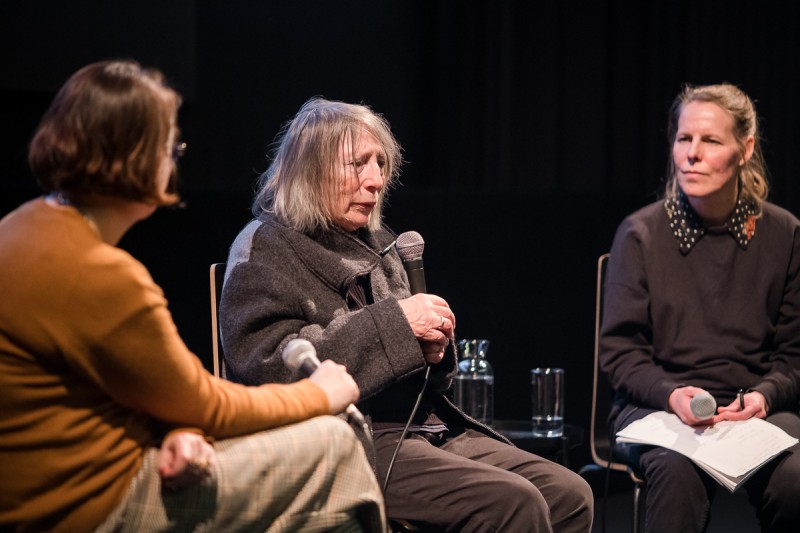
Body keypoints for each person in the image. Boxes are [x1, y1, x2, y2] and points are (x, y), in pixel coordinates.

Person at [0, 61, 387, 533]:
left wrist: (180, 429)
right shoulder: (101, 273)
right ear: (136, 156)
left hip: (63, 482)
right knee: (333, 443)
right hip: (90, 503)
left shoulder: (19, 227)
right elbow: (208, 404)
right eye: (170, 146)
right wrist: (317, 393)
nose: (173, 160)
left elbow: (153, 391)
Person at [219, 96, 594, 532]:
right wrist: (399, 326)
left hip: (423, 428)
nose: (377, 180)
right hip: (345, 439)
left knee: (569, 494)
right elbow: (266, 364)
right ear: (311, 169)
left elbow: (423, 371)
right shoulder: (266, 246)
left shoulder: (378, 241)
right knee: (513, 502)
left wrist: (433, 350)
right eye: (359, 164)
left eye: (381, 164)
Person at [600, 83, 800, 532]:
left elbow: (794, 356)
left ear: (744, 149)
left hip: (753, 408)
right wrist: (672, 394)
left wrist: (763, 396)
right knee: (676, 474)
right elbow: (621, 353)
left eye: (710, 140)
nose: (692, 153)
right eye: (684, 138)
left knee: (796, 480)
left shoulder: (784, 234)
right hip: (657, 407)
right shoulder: (641, 234)